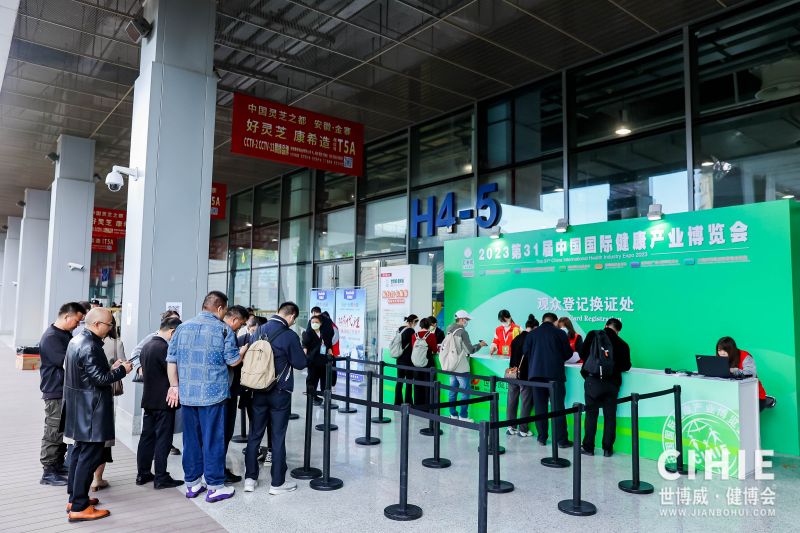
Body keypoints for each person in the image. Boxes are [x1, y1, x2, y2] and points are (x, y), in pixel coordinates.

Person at [166, 291, 243, 503]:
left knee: (191, 440)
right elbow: (233, 361)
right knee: (213, 440)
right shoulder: (223, 329)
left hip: (188, 395)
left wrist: (174, 386)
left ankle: (192, 484)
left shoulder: (182, 328)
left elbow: (171, 360)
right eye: (224, 310)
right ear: (220, 308)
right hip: (213, 395)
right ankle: (215, 486)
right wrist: (243, 352)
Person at [64, 308, 132, 522]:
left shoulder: (76, 340)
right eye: (109, 324)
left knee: (78, 454)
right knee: (88, 457)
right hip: (92, 411)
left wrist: (111, 367)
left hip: (79, 408)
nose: (111, 328)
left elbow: (89, 374)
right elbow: (100, 379)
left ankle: (75, 499)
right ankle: (79, 507)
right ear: (96, 324)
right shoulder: (91, 346)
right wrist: (122, 371)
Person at [244, 302, 308, 494]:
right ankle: (277, 483)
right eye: (294, 319)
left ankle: (250, 479)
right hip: (279, 392)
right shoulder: (289, 335)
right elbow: (300, 363)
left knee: (255, 434)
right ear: (292, 316)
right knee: (278, 436)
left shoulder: (258, 330)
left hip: (257, 390)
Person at [38, 302, 86, 486]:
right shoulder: (51, 337)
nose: (78, 325)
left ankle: (57, 466)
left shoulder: (64, 334)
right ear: (67, 316)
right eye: (77, 321)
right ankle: (48, 471)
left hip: (64, 390)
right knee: (53, 431)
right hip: (55, 390)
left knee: (62, 430)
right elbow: (67, 362)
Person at [136, 317, 184, 489]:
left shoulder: (147, 346)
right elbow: (173, 373)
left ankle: (142, 474)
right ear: (172, 332)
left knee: (146, 438)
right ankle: (161, 477)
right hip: (164, 402)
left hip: (148, 399)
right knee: (163, 439)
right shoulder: (165, 348)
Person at [131, 309, 182, 456]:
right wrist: (141, 369)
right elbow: (135, 353)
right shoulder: (154, 339)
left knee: (161, 430)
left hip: (164, 391)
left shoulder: (173, 340)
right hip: (157, 390)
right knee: (154, 431)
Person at [578, 318, 632, 457]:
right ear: (618, 330)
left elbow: (582, 354)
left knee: (591, 415)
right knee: (610, 416)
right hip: (612, 383)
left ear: (606, 325)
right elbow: (626, 366)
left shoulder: (593, 334)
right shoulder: (623, 344)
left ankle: (588, 447)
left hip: (593, 381)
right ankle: (607, 449)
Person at [524, 312, 572, 448]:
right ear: (555, 322)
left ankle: (542, 438)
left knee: (540, 408)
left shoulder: (532, 334)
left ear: (543, 320)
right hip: (555, 376)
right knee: (558, 408)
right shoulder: (560, 333)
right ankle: (561, 440)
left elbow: (525, 352)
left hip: (536, 376)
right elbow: (568, 353)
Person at [91, 316, 127, 491]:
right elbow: (124, 365)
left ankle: (86, 478)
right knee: (103, 440)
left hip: (86, 398)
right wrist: (117, 368)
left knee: (86, 440)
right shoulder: (116, 343)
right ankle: (97, 479)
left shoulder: (79, 342)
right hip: (104, 396)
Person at [222, 305, 250, 483]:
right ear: (234, 319)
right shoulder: (227, 332)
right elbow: (232, 361)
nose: (241, 328)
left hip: (209, 391)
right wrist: (242, 353)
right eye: (241, 324)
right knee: (225, 431)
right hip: (226, 390)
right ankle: (219, 471)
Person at [446, 310, 487, 421]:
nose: (467, 321)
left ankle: (453, 414)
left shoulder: (449, 329)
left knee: (452, 391)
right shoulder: (462, 332)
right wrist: (480, 344)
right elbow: (470, 350)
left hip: (451, 365)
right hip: (461, 366)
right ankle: (463, 416)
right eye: (467, 319)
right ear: (461, 319)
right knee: (465, 392)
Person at [715, 336, 773, 411]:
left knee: (743, 415)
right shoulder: (719, 358)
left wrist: (732, 370)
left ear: (732, 349)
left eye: (725, 350)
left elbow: (751, 374)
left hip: (755, 397)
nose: (722, 353)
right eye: (719, 350)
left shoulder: (745, 356)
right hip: (734, 396)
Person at [506, 314, 538, 437]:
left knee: (511, 400)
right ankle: (523, 429)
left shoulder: (516, 338)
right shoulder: (532, 340)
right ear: (535, 328)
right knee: (525, 402)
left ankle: (511, 427)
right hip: (525, 375)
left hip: (512, 374)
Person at [303, 315, 330, 402]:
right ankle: (312, 397)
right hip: (313, 361)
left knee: (323, 379)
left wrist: (330, 352)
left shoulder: (324, 333)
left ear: (320, 323)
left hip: (323, 360)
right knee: (312, 380)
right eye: (312, 322)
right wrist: (305, 357)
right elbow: (305, 345)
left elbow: (328, 345)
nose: (314, 324)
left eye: (316, 322)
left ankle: (324, 396)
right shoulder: (308, 333)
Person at [412, 317, 438, 407]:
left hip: (416, 363)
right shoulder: (431, 335)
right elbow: (435, 350)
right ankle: (427, 407)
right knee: (428, 386)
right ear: (429, 325)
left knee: (417, 385)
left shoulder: (414, 335)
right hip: (428, 363)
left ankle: (418, 406)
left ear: (420, 325)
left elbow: (413, 348)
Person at [394, 315, 419, 405]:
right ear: (412, 322)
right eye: (416, 322)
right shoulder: (411, 331)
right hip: (408, 360)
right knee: (409, 382)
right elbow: (413, 345)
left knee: (399, 381)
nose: (416, 324)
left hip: (399, 359)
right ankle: (408, 403)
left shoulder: (400, 329)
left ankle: (397, 402)